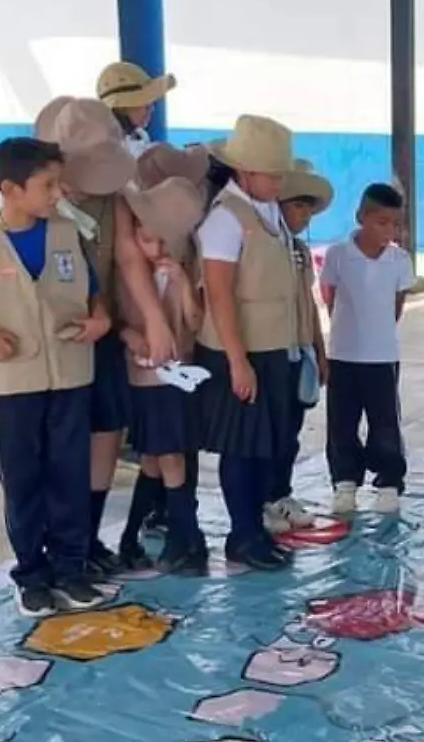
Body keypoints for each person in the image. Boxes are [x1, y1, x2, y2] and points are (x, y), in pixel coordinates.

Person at [0, 137, 114, 618]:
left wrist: (100, 322)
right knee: (22, 478)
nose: (57, 193)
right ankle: (31, 577)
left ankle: (71, 570)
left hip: (71, 372)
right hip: (14, 378)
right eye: (47, 185)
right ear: (11, 189)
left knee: (69, 475)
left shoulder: (67, 231)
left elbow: (95, 293)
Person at [35, 97, 160, 577]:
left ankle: (86, 537)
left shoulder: (112, 195)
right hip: (57, 337)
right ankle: (60, 545)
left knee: (106, 430)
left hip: (105, 330)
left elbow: (127, 257)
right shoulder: (33, 200)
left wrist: (153, 320)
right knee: (62, 440)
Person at [193, 115, 303, 571]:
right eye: (270, 174)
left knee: (268, 444)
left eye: (280, 174)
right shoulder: (226, 218)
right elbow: (218, 293)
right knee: (242, 445)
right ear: (244, 172)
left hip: (274, 346)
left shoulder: (267, 210)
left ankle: (255, 530)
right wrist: (238, 362)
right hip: (238, 350)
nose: (278, 182)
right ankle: (242, 535)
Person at [115, 176, 209, 575]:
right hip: (142, 378)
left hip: (177, 376)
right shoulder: (124, 275)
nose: (149, 247)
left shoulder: (184, 271)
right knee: (155, 459)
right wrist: (131, 334)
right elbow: (117, 318)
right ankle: (166, 537)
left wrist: (184, 283)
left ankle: (183, 539)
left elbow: (195, 321)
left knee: (169, 457)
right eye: (143, 237)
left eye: (158, 240)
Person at [321, 183, 415, 513]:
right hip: (343, 354)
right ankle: (344, 481)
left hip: (382, 356)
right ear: (362, 217)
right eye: (382, 222)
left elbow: (397, 305)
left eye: (395, 223)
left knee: (385, 422)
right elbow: (329, 297)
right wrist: (345, 334)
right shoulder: (337, 255)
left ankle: (389, 480)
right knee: (342, 421)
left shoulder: (400, 260)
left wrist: (378, 334)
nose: (390, 230)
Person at [265, 161, 333, 535]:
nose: (303, 215)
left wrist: (320, 352)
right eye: (297, 206)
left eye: (309, 207)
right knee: (270, 433)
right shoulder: (266, 245)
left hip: (299, 352)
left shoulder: (301, 252)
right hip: (271, 351)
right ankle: (265, 499)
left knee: (290, 431)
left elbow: (308, 303)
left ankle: (281, 494)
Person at [96, 60, 177, 148]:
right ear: (122, 109)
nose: (152, 108)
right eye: (146, 103)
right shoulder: (103, 147)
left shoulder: (140, 135)